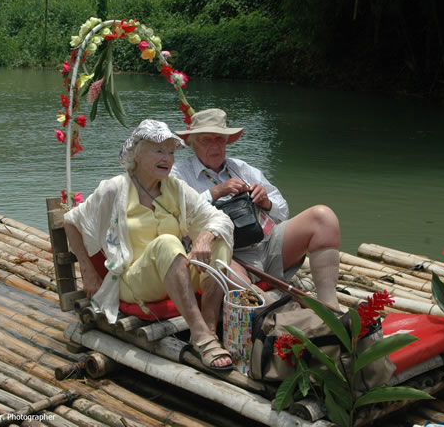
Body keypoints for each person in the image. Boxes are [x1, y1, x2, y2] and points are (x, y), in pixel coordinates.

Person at [63, 119, 236, 370]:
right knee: (166, 242)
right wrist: (88, 271)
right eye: (159, 151)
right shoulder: (114, 189)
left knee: (219, 240)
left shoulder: (175, 188)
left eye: (171, 152)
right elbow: (71, 222)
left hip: (174, 276)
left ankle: (209, 328)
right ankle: (200, 336)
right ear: (137, 154)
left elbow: (219, 218)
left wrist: (205, 236)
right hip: (133, 281)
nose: (168, 158)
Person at [171, 108, 341, 310]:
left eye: (219, 139)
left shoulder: (242, 168)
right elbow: (176, 217)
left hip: (266, 245)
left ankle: (330, 305)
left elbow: (283, 211)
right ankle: (274, 311)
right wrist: (215, 192)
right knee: (234, 279)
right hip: (226, 254)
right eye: (206, 140)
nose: (215, 146)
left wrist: (265, 202)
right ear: (192, 143)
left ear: (227, 141)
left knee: (322, 217)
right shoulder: (178, 173)